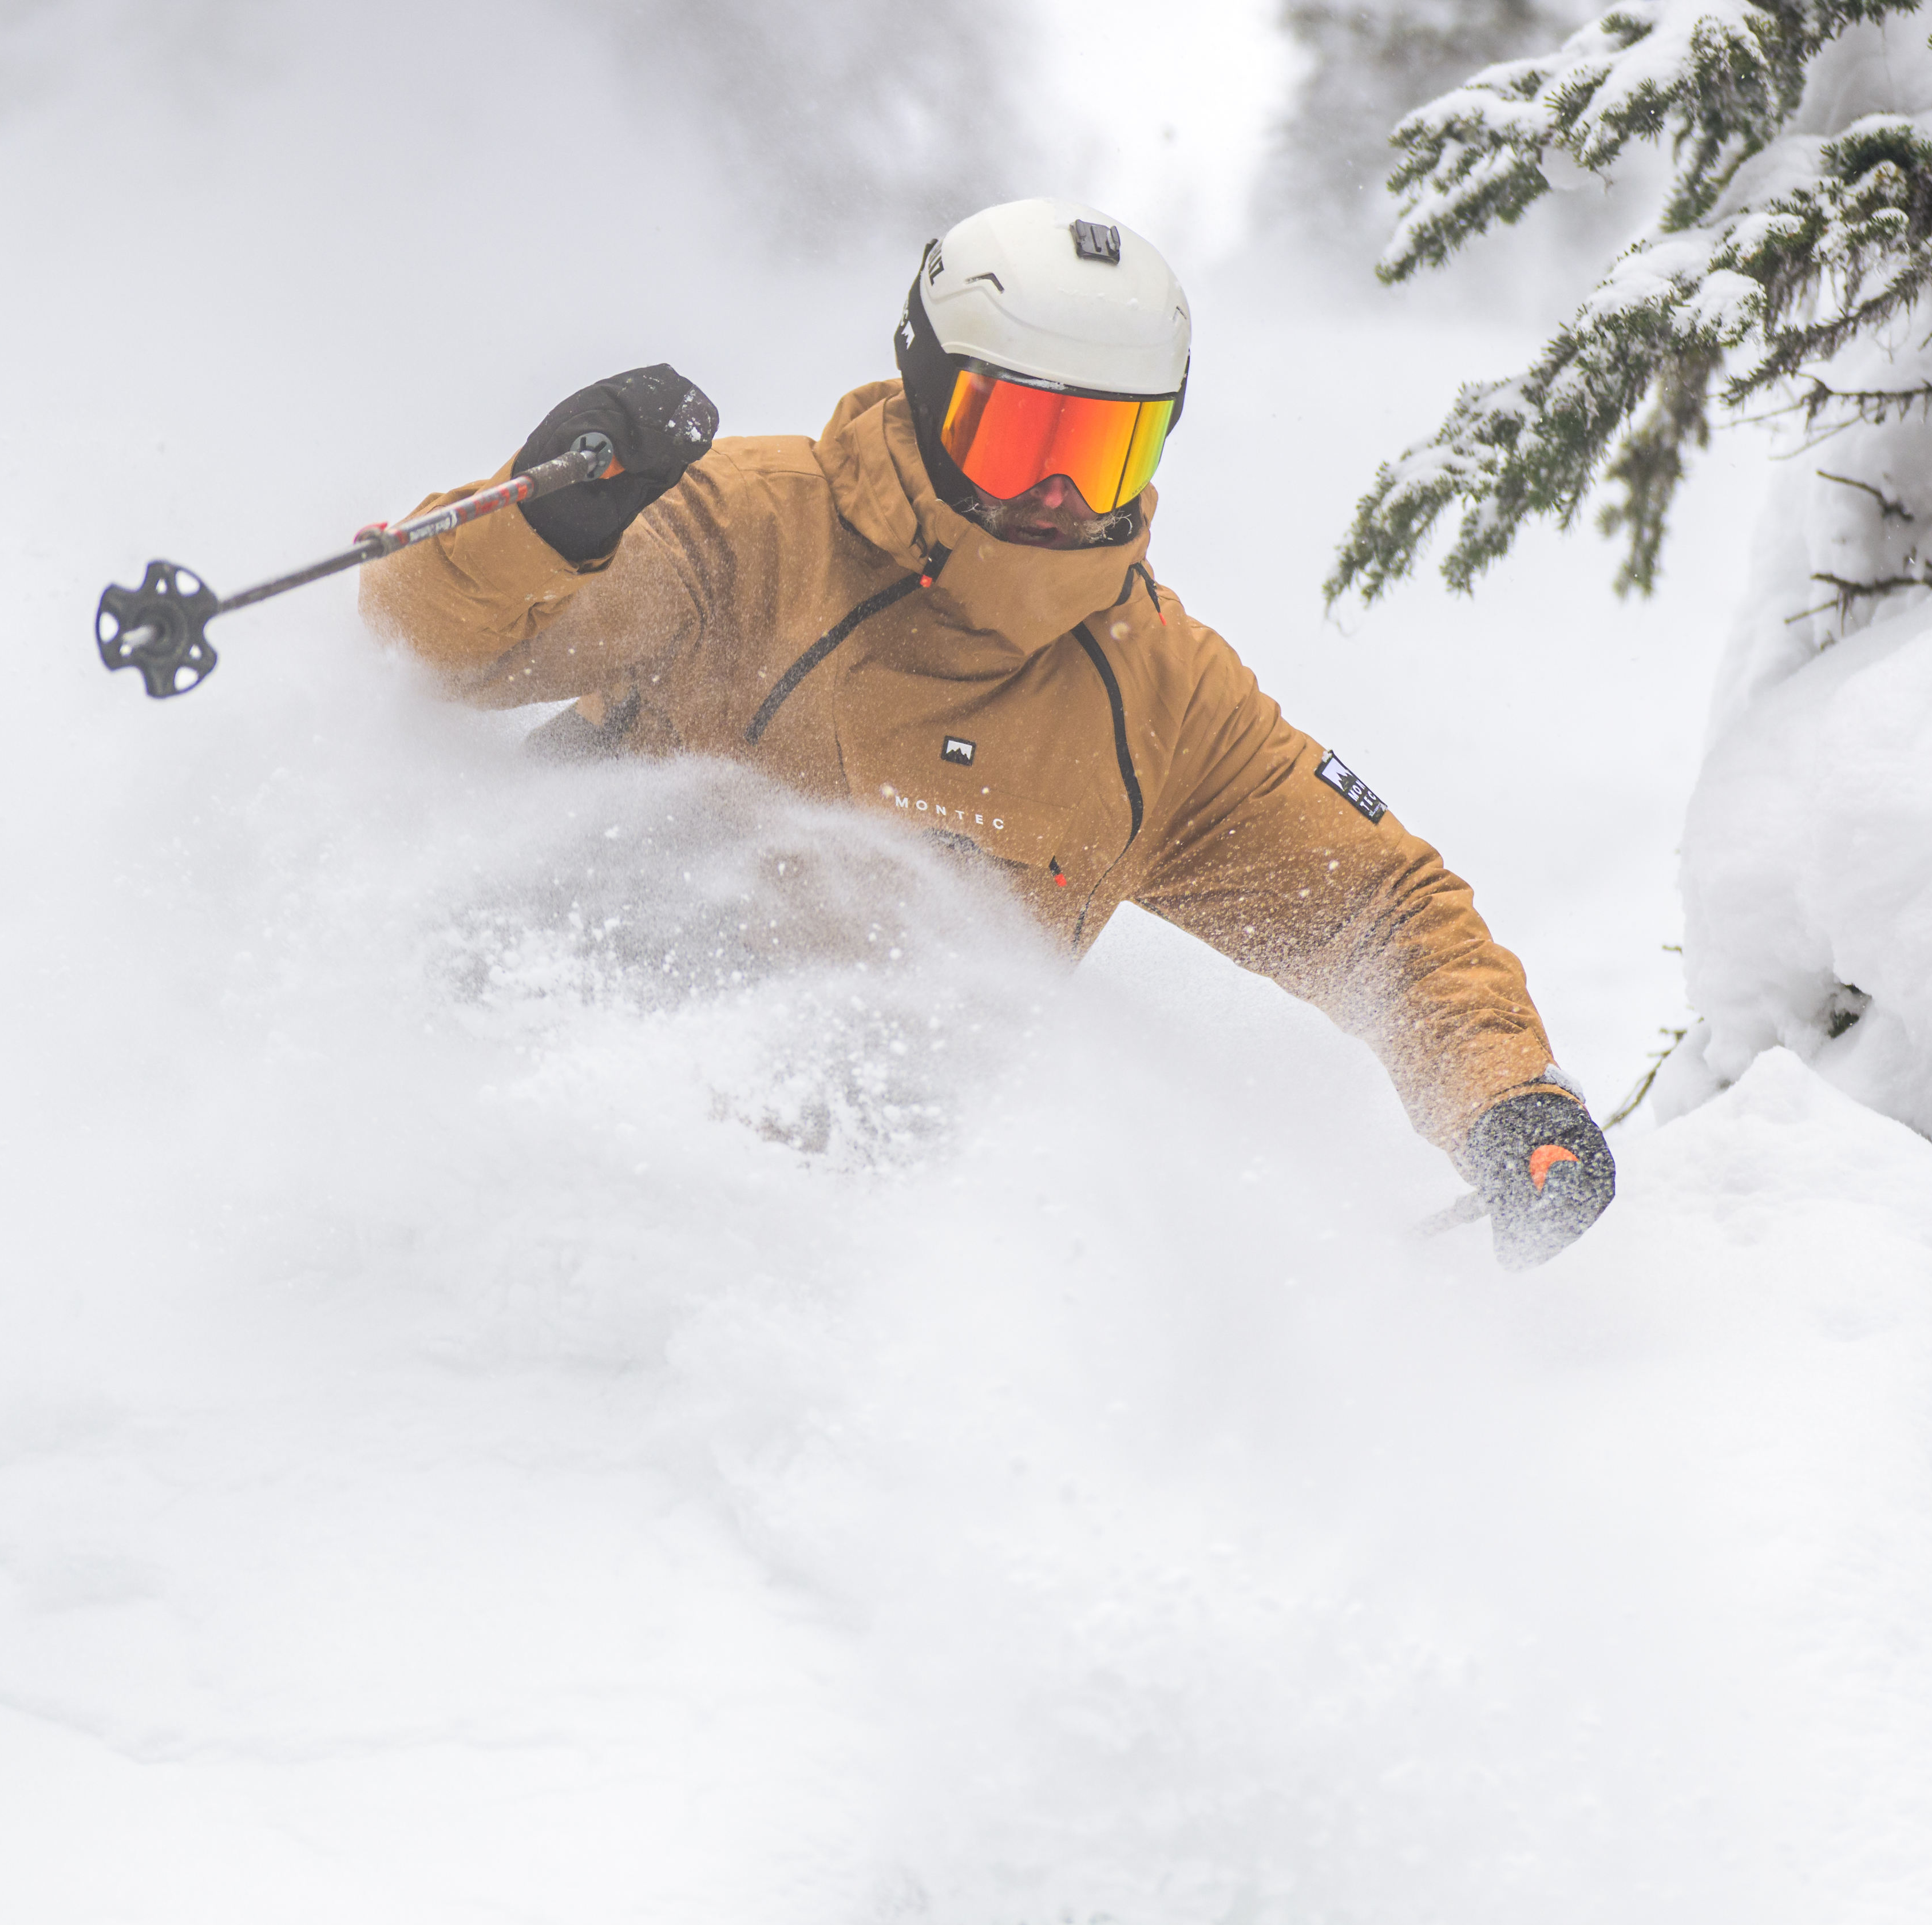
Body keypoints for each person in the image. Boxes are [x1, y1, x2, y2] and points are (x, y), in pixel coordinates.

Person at [360, 196, 1613, 1266]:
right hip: (537, 1065)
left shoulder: (1158, 698)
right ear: (929, 393)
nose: (1058, 499)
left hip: (834, 1221)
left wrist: (1506, 1101)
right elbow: (439, 648)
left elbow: (1374, 908)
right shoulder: (749, 531)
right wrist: (547, 523)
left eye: (1105, 453)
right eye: (1024, 440)